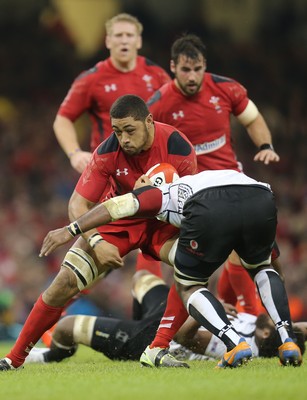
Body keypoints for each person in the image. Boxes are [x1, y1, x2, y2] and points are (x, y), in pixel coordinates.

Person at [0, 95, 197, 371]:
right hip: (118, 221)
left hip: (163, 222)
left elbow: (188, 205)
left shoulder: (178, 147)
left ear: (149, 121)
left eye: (130, 130)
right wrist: (96, 240)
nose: (123, 139)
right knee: (64, 281)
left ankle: (168, 346)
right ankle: (13, 359)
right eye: (117, 131)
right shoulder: (107, 151)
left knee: (193, 267)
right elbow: (77, 204)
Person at [37, 168, 303, 368]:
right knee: (143, 279)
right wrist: (273, 276)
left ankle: (233, 343)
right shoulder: (202, 179)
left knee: (188, 285)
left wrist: (70, 230)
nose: (139, 184)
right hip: (260, 196)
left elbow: (114, 207)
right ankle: (287, 337)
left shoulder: (158, 194)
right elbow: (273, 260)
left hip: (168, 329)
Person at [147, 33, 282, 319]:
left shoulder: (226, 88)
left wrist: (266, 146)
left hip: (233, 181)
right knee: (200, 264)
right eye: (185, 70)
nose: (192, 76)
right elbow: (144, 143)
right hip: (192, 194)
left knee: (267, 255)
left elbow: (253, 118)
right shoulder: (159, 104)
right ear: (173, 67)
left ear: (204, 65)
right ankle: (245, 320)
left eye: (197, 69)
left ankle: (255, 317)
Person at [53, 12, 171, 291]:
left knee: (153, 243)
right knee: (90, 261)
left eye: (129, 35)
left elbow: (171, 118)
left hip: (149, 173)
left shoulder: (157, 75)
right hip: (107, 177)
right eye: (118, 35)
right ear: (108, 40)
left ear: (139, 40)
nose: (124, 41)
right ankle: (58, 318)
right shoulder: (91, 79)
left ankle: (153, 324)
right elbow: (62, 118)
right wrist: (74, 153)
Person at [24, 271, 306, 365]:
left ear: (267, 334)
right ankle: (132, 331)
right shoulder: (266, 329)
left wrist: (211, 307)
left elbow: (184, 335)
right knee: (140, 278)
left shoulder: (241, 343)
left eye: (284, 325)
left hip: (164, 336)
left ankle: (49, 357)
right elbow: (301, 330)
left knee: (65, 327)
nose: (280, 319)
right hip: (162, 317)